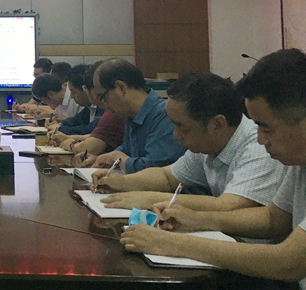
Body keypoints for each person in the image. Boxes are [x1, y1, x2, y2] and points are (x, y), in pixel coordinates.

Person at [120, 49, 306, 290]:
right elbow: (273, 218)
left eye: (266, 128)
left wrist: (172, 243)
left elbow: (288, 262)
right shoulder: (299, 159)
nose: (260, 139)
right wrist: (197, 220)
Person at [89, 72, 284, 212]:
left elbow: (230, 206)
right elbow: (168, 177)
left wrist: (150, 199)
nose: (175, 135)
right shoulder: (208, 145)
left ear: (217, 124)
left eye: (182, 127)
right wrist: (120, 182)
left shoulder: (257, 148)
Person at [89, 58, 185, 173]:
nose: (105, 105)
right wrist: (103, 159)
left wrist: (116, 158)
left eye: (104, 97)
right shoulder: (131, 116)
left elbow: (153, 169)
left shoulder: (164, 115)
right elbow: (126, 151)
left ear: (121, 88)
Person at [47, 64, 103, 141]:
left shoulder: (103, 107)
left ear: (86, 89)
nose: (71, 96)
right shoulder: (90, 107)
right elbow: (76, 120)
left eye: (73, 92)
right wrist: (60, 124)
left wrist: (60, 129)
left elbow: (90, 129)